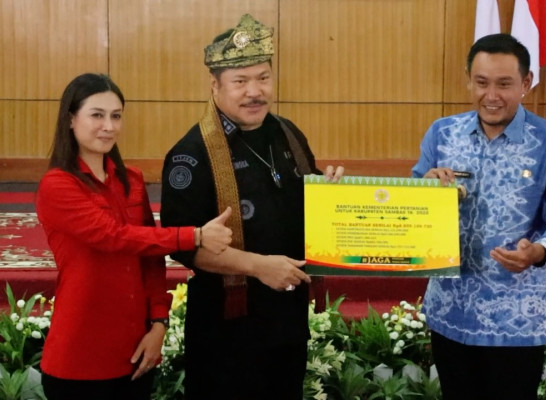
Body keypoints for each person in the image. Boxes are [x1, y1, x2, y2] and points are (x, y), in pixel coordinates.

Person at [160, 14, 343, 400]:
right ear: (215, 85)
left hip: (287, 318)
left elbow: (305, 207)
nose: (254, 92)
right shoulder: (191, 154)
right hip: (226, 329)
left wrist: (332, 197)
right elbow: (184, 245)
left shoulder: (288, 133)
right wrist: (259, 266)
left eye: (263, 78)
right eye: (240, 81)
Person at [412, 33, 546, 400]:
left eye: (504, 84)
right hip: (450, 311)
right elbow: (410, 207)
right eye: (481, 82)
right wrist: (424, 191)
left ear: (526, 83)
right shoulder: (442, 133)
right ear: (468, 79)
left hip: (517, 320)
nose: (491, 95)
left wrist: (539, 251)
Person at [35, 73, 232, 400]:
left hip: (135, 354)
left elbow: (150, 260)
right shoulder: (58, 184)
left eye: (116, 116)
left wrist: (159, 323)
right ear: (70, 119)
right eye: (97, 115)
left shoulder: (132, 180)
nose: (108, 126)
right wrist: (195, 236)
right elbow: (114, 237)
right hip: (78, 357)